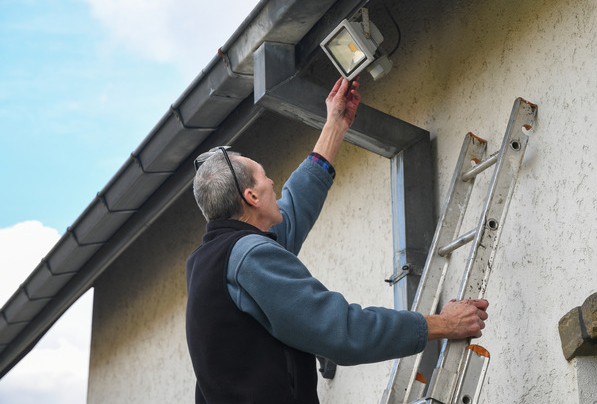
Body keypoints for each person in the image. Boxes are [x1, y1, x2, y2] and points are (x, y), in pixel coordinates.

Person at [185, 77, 489, 404]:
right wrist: (444, 324)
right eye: (263, 176)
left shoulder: (216, 260)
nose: (273, 181)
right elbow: (342, 331)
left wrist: (335, 124)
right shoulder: (250, 257)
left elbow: (296, 205)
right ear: (251, 197)